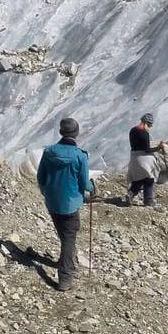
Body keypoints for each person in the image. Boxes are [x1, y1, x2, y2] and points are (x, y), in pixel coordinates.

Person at [36, 118, 95, 291]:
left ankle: (66, 260)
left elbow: (41, 177)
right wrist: (92, 188)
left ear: (61, 132)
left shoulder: (48, 152)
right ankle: (65, 276)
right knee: (70, 237)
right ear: (76, 133)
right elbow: (84, 183)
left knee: (64, 234)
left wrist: (47, 192)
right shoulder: (80, 155)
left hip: (52, 201)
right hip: (70, 203)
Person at [127, 113, 163, 207]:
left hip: (133, 157)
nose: (149, 127)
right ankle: (148, 200)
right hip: (143, 159)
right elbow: (147, 149)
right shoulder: (144, 133)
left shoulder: (132, 130)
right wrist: (158, 148)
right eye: (150, 125)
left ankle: (130, 194)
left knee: (139, 178)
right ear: (146, 123)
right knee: (149, 179)